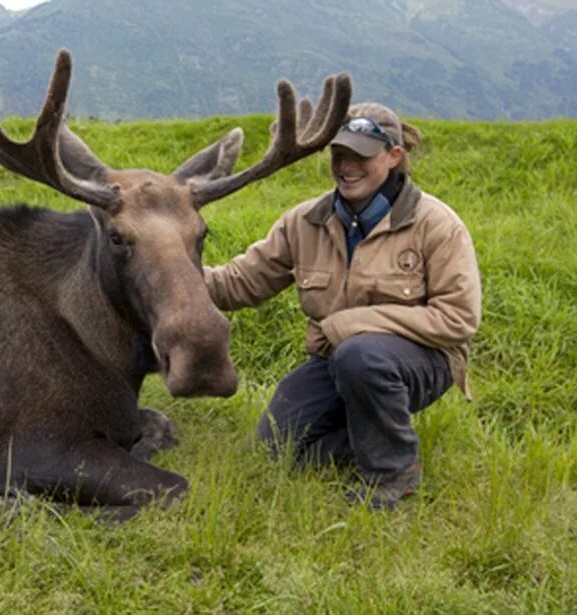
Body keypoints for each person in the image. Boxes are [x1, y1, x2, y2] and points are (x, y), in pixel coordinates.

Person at [204, 102, 481, 510]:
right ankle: (370, 434)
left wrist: (346, 325)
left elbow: (457, 319)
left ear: (394, 156)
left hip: (423, 361)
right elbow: (240, 282)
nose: (346, 166)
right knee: (275, 448)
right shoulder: (304, 222)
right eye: (339, 154)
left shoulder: (436, 225)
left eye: (361, 155)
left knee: (361, 355)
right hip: (339, 361)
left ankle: (393, 474)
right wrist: (164, 277)